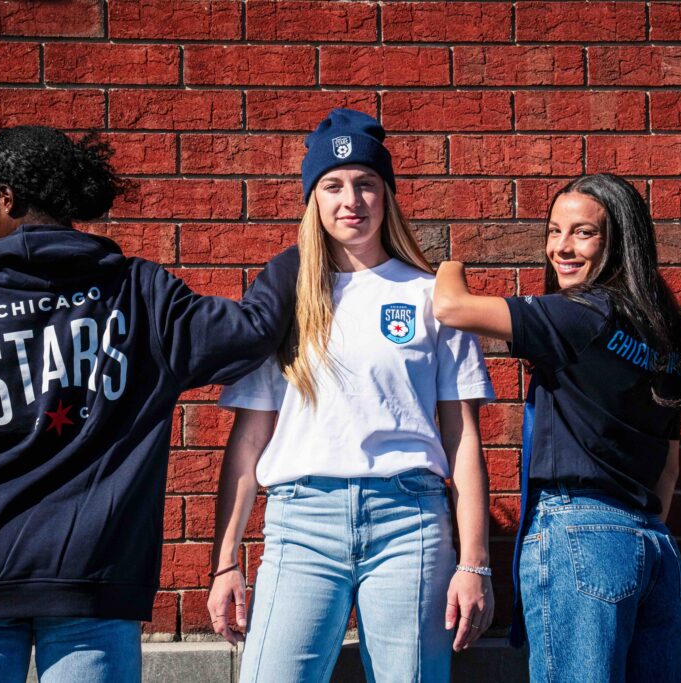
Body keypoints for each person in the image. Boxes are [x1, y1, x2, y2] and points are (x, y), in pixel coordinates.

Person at [0, 125, 299, 683]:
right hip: (91, 576)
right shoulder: (142, 293)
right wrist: (305, 252)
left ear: (7, 199)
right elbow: (253, 329)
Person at [206, 108, 496, 682]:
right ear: (312, 200)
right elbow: (249, 441)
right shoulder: (285, 298)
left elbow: (462, 437)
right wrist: (225, 563)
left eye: (366, 184)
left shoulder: (430, 297)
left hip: (409, 519)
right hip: (301, 522)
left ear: (387, 195)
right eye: (332, 186)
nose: (351, 200)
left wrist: (475, 562)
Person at [433, 174, 681, 683]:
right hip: (652, 546)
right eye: (555, 231)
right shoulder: (664, 334)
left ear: (619, 241)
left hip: (581, 535)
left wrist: (449, 263)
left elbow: (450, 307)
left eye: (583, 233)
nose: (562, 247)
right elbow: (667, 470)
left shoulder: (579, 315)